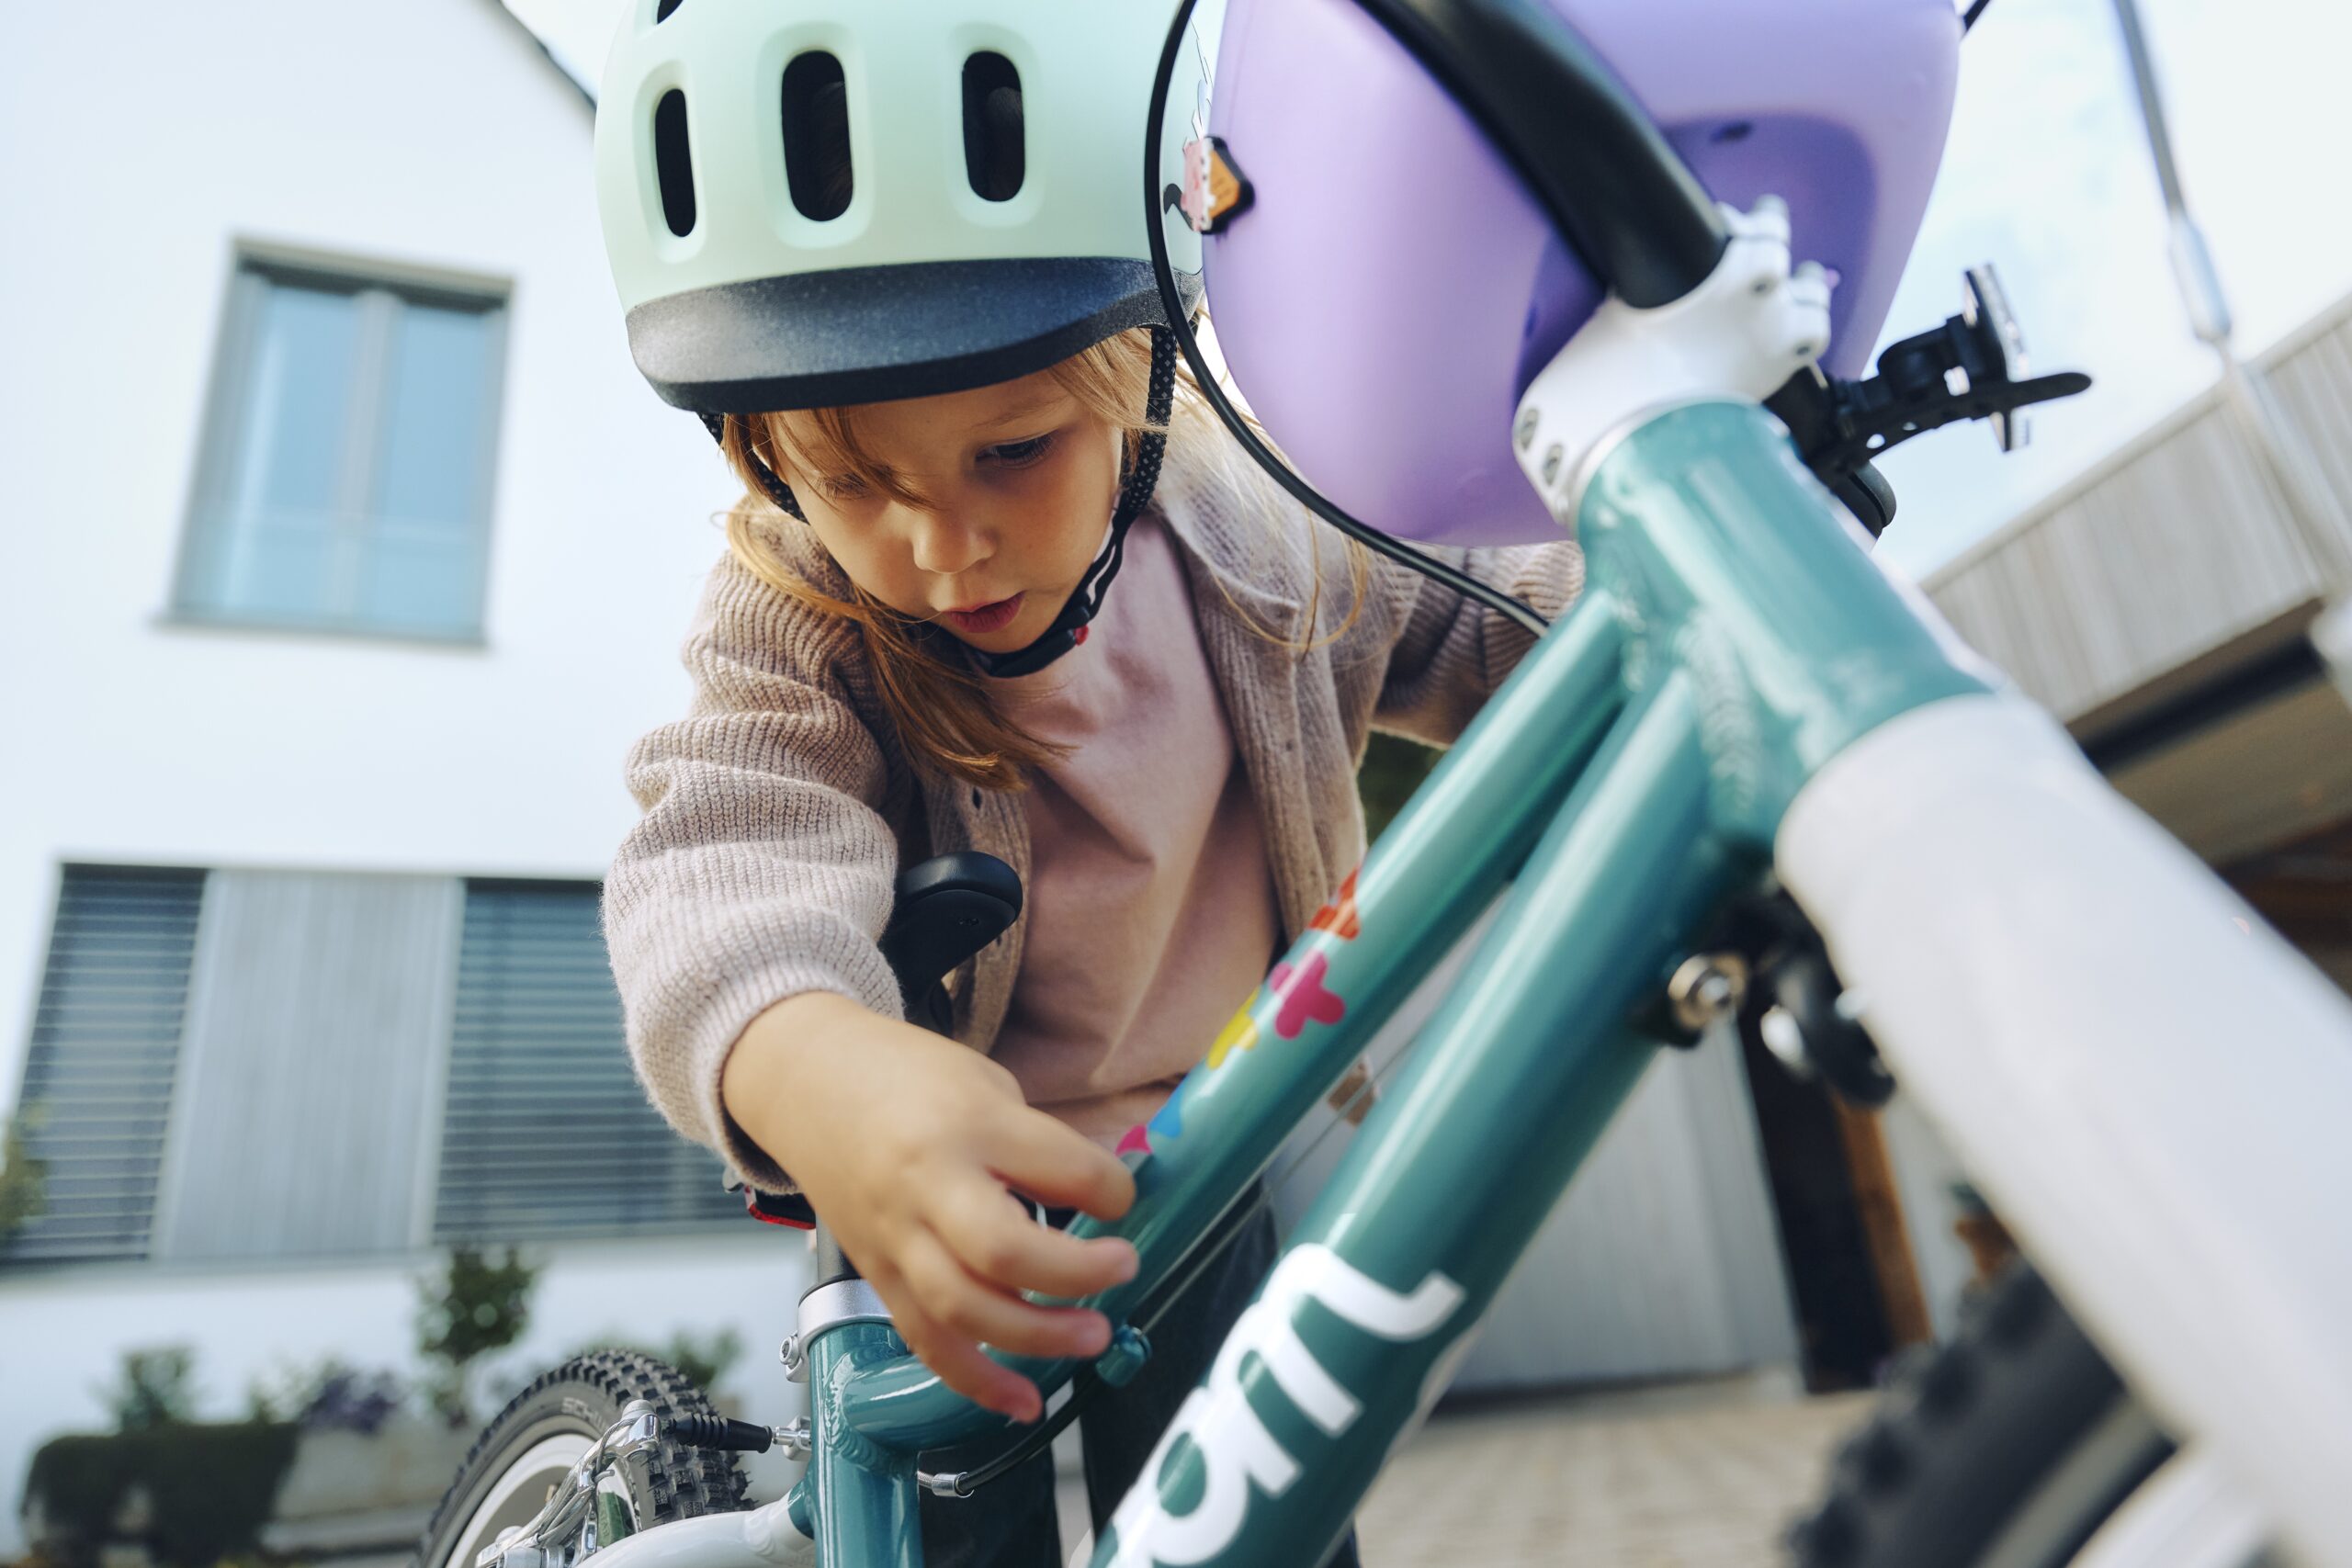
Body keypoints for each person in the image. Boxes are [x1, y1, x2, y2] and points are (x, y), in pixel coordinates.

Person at [591, 5, 1582, 1562]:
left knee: (1256, 1534)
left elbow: (1503, 617)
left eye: (1014, 450)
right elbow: (724, 849)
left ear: (1149, 374)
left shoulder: (1270, 538)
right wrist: (816, 1070)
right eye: (857, 480)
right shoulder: (807, 615)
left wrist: (1669, 544)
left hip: (1201, 1166)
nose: (941, 544)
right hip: (936, 1185)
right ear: (764, 463)